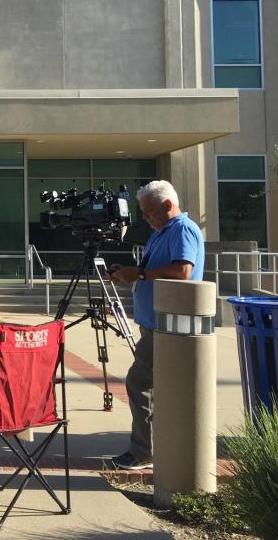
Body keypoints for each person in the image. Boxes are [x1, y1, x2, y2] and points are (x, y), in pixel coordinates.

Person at [107, 179, 204, 470]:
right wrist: (133, 274)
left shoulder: (182, 229)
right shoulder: (160, 232)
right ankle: (151, 448)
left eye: (150, 211)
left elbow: (182, 270)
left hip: (167, 323)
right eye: (144, 212)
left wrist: (138, 274)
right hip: (154, 322)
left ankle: (143, 452)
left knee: (139, 382)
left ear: (167, 205)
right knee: (151, 386)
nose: (146, 217)